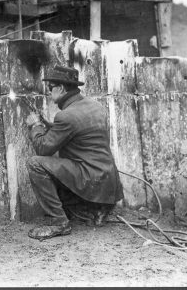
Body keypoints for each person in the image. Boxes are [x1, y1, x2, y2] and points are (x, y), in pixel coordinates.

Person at [25, 65, 124, 240]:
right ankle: (96, 210)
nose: (49, 92)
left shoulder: (66, 116)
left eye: (50, 88)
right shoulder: (95, 106)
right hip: (108, 182)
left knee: (35, 163)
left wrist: (35, 126)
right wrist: (50, 126)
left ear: (61, 88)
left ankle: (59, 222)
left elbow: (43, 148)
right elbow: (79, 132)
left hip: (89, 179)